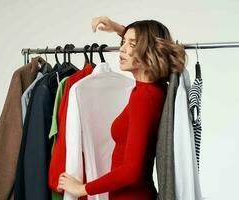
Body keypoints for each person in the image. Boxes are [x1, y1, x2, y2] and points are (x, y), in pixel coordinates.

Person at [57, 16, 187, 199]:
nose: (122, 49)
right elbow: (149, 42)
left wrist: (83, 189)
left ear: (149, 51)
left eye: (132, 45)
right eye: (123, 42)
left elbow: (130, 171)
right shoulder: (155, 89)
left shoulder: (143, 98)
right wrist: (119, 29)